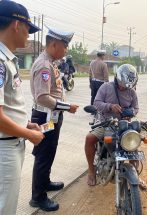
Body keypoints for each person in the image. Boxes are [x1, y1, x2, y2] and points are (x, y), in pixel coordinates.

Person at [0, 1, 44, 214]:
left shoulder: (7, 59)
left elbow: (6, 106)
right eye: (28, 29)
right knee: (5, 207)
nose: (29, 35)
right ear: (16, 25)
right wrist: (28, 133)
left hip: (10, 142)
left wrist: (24, 124)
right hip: (4, 148)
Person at [29, 27, 79, 211]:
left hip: (52, 116)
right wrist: (67, 107)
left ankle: (45, 182)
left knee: (48, 152)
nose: (66, 50)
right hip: (44, 116)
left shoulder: (50, 62)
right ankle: (38, 197)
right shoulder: (44, 65)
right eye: (65, 46)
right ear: (54, 44)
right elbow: (42, 97)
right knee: (43, 155)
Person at [85, 64, 147, 189]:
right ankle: (91, 170)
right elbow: (96, 103)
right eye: (123, 85)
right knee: (89, 138)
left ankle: (135, 174)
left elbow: (136, 108)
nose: (125, 88)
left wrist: (131, 112)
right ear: (117, 79)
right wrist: (110, 106)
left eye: (128, 86)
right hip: (106, 122)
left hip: (124, 124)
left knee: (133, 144)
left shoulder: (132, 92)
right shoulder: (106, 87)